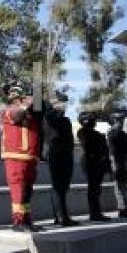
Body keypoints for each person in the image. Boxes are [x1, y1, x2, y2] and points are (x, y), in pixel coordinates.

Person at [0, 82, 43, 232]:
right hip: (16, 157)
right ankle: (18, 222)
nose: (26, 99)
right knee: (18, 190)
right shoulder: (9, 110)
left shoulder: (28, 111)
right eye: (23, 96)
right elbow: (16, 116)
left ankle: (26, 219)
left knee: (27, 191)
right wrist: (25, 105)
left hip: (29, 157)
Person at [43, 94, 77, 227]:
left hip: (66, 154)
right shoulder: (50, 117)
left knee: (63, 187)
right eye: (62, 103)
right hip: (56, 154)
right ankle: (60, 216)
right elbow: (51, 132)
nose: (65, 106)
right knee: (58, 187)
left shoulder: (64, 119)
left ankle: (63, 215)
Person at [77, 111, 112, 222]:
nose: (94, 122)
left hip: (98, 164)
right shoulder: (83, 132)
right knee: (93, 189)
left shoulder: (96, 134)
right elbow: (88, 145)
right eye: (92, 120)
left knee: (96, 189)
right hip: (91, 163)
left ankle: (97, 212)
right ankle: (94, 213)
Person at [107, 112, 127, 218]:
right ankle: (122, 209)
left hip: (125, 161)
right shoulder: (112, 133)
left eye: (121, 120)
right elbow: (112, 150)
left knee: (125, 186)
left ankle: (126, 208)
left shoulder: (123, 134)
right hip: (117, 162)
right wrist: (114, 164)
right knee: (119, 186)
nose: (120, 122)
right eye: (119, 120)